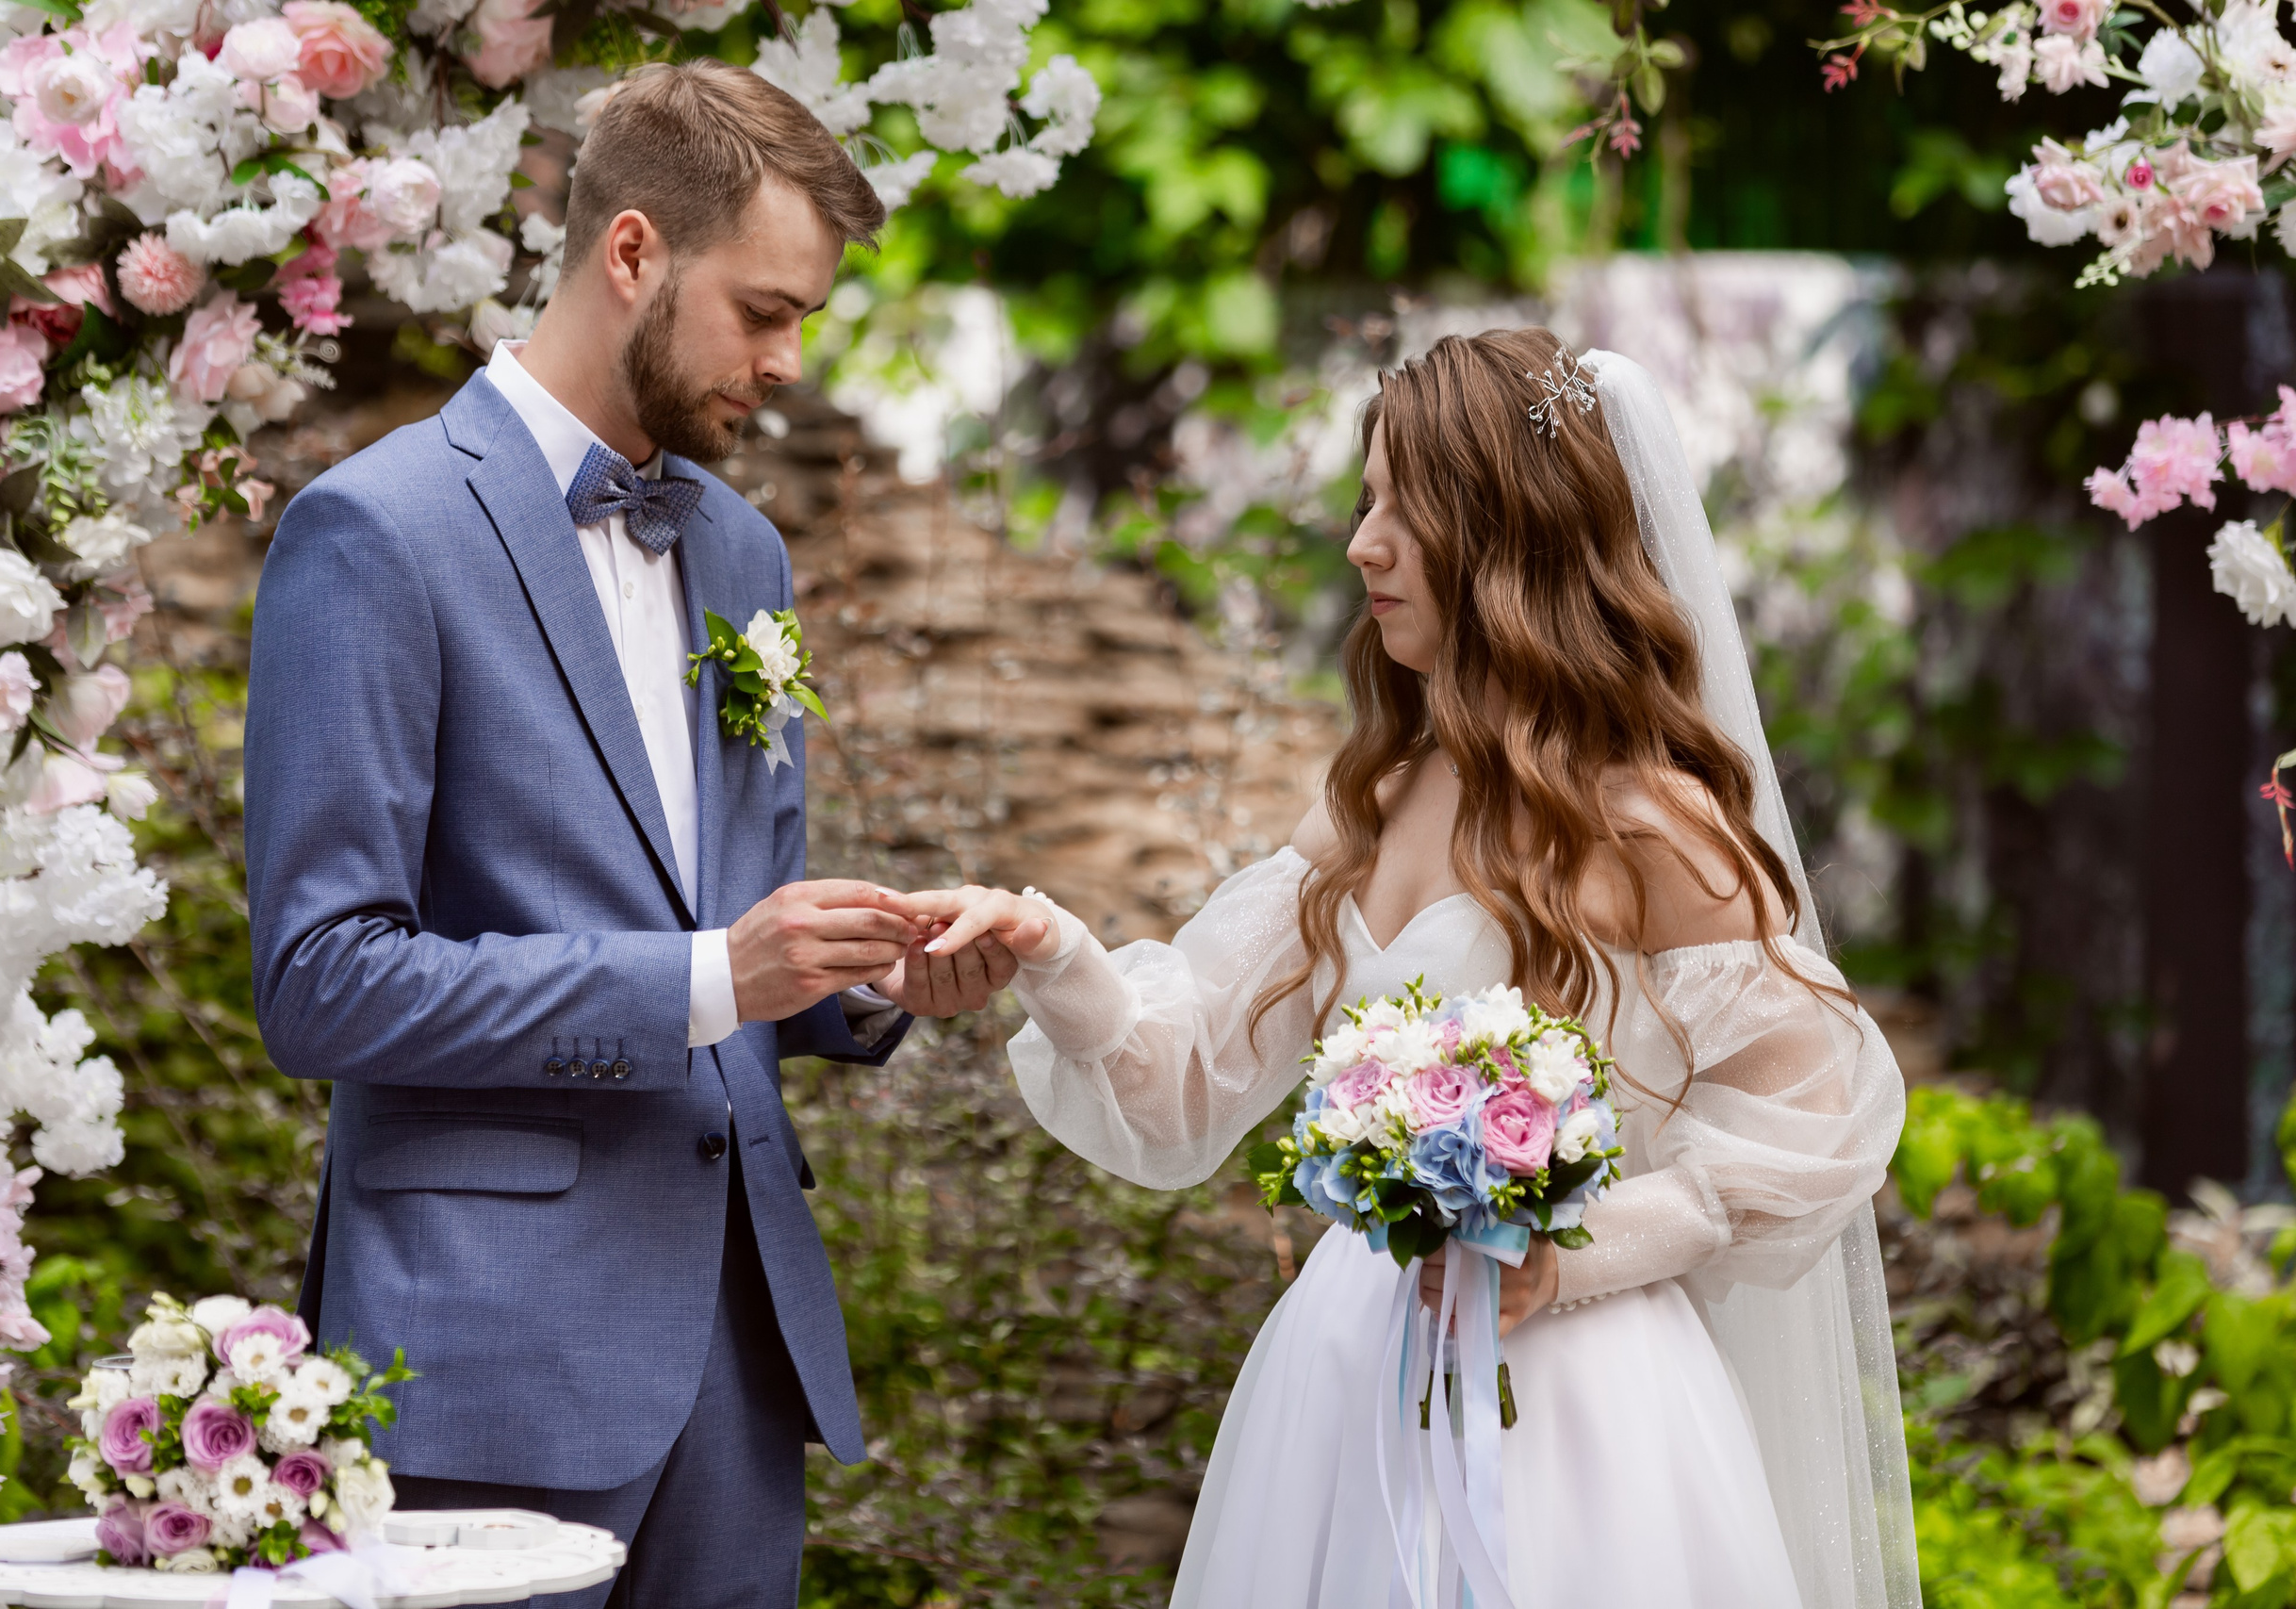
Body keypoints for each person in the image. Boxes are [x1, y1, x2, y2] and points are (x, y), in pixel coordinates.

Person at [907, 332, 1922, 1608]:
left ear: (1514, 536)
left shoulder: (1650, 820)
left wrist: (1576, 1249)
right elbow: (1183, 1088)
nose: (1363, 545)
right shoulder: (1367, 808)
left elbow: (1813, 1127)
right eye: (1365, 500)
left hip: (1576, 1403)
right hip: (1343, 1384)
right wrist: (1053, 954)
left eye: (1407, 507)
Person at [243, 60, 1009, 1609]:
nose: (790, 363)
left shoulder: (742, 552)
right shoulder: (376, 534)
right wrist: (712, 976)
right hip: (484, 1359)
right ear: (636, 253)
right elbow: (322, 980)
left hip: (739, 1356)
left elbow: (735, 918)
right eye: (768, 310)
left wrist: (858, 984)